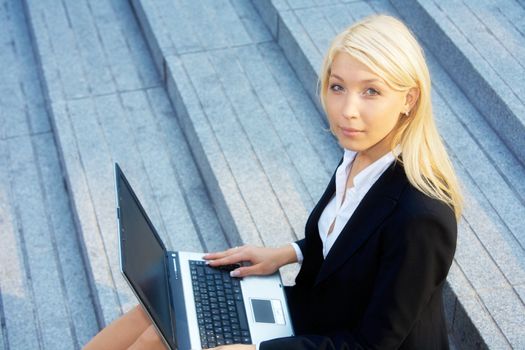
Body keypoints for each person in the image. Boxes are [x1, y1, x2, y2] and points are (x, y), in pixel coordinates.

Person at [84, 14, 461, 350]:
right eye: (337, 87)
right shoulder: (360, 154)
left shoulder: (422, 217)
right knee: (158, 307)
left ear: (409, 99)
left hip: (336, 339)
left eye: (371, 91)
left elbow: (371, 344)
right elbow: (349, 242)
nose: (347, 110)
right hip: (315, 313)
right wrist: (288, 252)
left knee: (164, 339)